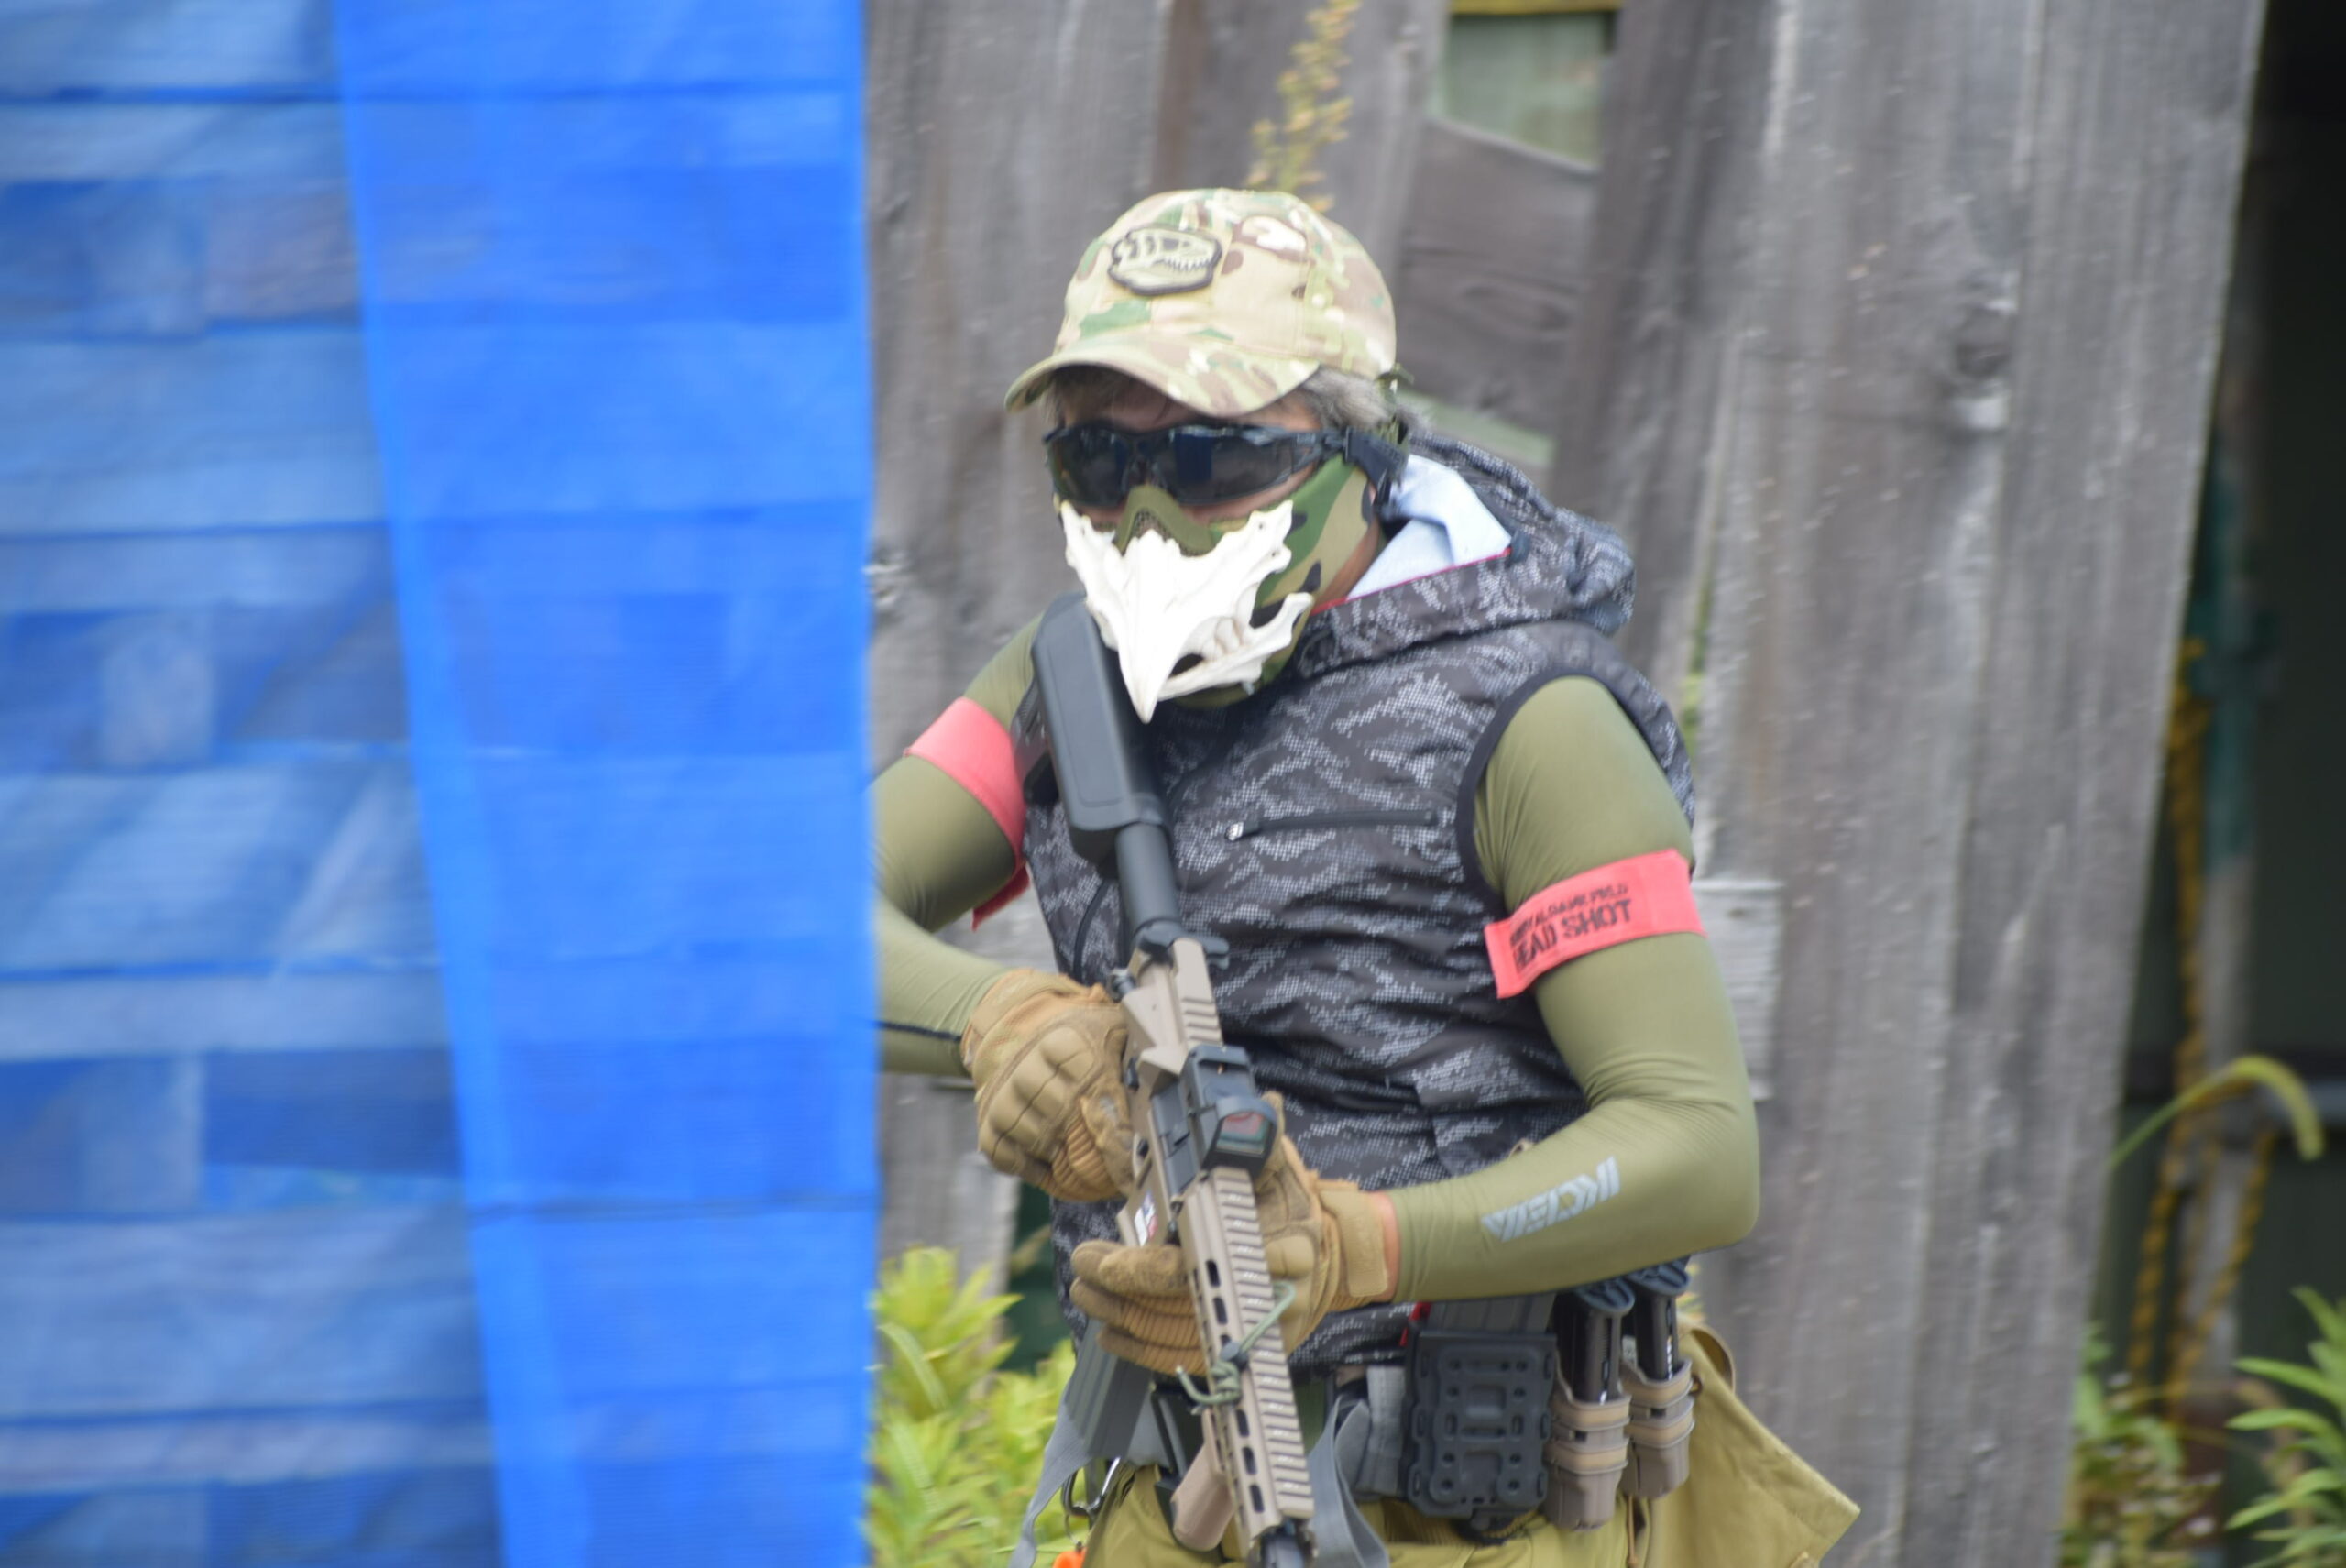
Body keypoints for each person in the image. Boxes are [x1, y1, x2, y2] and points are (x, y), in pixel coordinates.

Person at [874, 189, 1853, 1566]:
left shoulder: (1532, 723)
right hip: (1170, 1493)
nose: (1146, 512)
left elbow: (1697, 1148)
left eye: (1213, 456)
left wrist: (1363, 1246)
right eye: (1095, 458)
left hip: (1476, 1520)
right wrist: (1004, 1024)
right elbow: (785, 916)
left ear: (1360, 454)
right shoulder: (1070, 680)